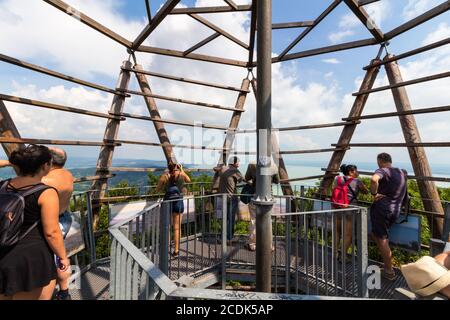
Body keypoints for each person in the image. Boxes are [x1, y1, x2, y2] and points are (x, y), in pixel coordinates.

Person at [0, 145, 69, 300]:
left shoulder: (3, 185)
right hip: (29, 259)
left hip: (2, 253)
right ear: (45, 165)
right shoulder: (46, 192)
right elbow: (52, 232)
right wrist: (63, 257)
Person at [41, 147, 74, 300]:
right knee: (59, 256)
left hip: (54, 223)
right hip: (65, 218)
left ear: (49, 161)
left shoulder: (46, 180)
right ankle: (64, 292)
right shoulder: (68, 174)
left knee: (51, 262)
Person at [370, 153, 407, 280]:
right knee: (377, 235)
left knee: (382, 239)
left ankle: (389, 271)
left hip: (382, 210)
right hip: (395, 210)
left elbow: (374, 179)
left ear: (380, 161)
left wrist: (374, 194)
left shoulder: (383, 170)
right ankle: (387, 263)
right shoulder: (401, 172)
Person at [334, 164, 368, 260]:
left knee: (337, 232)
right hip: (349, 209)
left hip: (338, 207)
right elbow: (366, 191)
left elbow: (334, 189)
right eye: (356, 171)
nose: (357, 173)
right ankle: (343, 256)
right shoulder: (357, 181)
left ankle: (335, 254)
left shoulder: (338, 179)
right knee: (347, 234)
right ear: (351, 172)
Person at [156, 162, 191, 257]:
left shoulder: (165, 176)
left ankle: (166, 247)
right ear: (177, 167)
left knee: (166, 226)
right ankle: (176, 250)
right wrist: (182, 170)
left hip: (167, 202)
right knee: (177, 228)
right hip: (178, 201)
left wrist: (164, 184)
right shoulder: (181, 174)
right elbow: (189, 180)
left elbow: (158, 189)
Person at [244, 161, 280, 251]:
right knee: (268, 221)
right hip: (269, 198)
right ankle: (269, 245)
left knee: (254, 221)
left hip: (256, 196)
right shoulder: (273, 165)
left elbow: (247, 177)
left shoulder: (252, 165)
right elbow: (277, 181)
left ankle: (253, 244)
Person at [218, 156, 244, 244]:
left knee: (225, 218)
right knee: (231, 218)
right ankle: (229, 238)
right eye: (238, 162)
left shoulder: (223, 168)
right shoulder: (235, 171)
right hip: (232, 197)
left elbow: (216, 169)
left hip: (223, 197)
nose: (239, 164)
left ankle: (222, 237)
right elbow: (243, 180)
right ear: (234, 163)